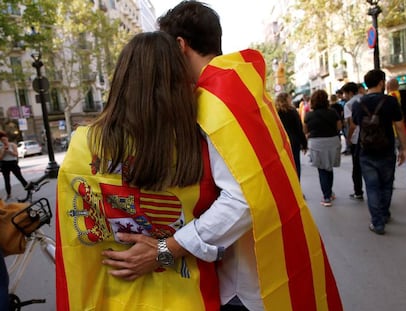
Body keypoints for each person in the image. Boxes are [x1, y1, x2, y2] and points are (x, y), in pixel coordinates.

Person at [102, 2, 343, 311]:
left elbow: (242, 199)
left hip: (247, 280)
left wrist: (165, 249)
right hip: (272, 256)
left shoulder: (213, 100)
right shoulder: (242, 86)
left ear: (180, 45)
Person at [56, 31, 221, 310]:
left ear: (122, 80)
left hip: (110, 297)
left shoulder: (83, 145)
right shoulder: (199, 147)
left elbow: (75, 243)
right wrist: (162, 254)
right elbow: (212, 244)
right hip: (187, 297)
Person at [352, 69, 406, 235]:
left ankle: (377, 223)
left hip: (366, 150)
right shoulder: (390, 101)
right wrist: (403, 148)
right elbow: (399, 126)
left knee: (372, 186)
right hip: (386, 149)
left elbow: (355, 124)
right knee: (387, 184)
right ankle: (384, 213)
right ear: (381, 82)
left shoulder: (358, 104)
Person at [304, 89, 342, 207]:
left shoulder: (309, 115)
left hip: (316, 143)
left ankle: (326, 197)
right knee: (329, 168)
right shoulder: (333, 112)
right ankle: (329, 193)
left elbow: (305, 130)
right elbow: (339, 127)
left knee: (322, 170)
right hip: (332, 141)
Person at [386, 78, 406, 194]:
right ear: (398, 86)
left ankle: (390, 182)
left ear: (388, 87)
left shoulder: (387, 98)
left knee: (390, 158)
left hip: (391, 133)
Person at [275, 92, 307, 179]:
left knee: (284, 165)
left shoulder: (275, 113)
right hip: (293, 141)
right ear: (286, 100)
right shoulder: (292, 112)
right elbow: (299, 129)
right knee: (295, 164)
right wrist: (304, 143)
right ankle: (296, 187)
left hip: (280, 142)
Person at [342, 82, 364, 200]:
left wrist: (348, 139)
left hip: (357, 139)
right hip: (371, 137)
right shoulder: (365, 99)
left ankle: (358, 191)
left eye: (345, 93)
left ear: (350, 92)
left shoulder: (349, 105)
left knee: (357, 167)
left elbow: (352, 125)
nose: (344, 96)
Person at [0, 131, 28, 201]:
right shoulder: (1, 147)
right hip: (5, 164)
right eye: (2, 140)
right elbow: (0, 158)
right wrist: (3, 151)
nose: (4, 141)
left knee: (20, 177)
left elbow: (16, 154)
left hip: (13, 163)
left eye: (5, 140)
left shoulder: (12, 145)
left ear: (7, 139)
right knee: (6, 180)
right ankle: (9, 194)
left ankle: (29, 189)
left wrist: (9, 151)